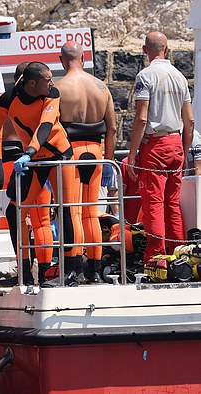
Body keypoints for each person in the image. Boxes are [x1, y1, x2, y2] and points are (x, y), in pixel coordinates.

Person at [0, 62, 85, 283]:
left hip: (59, 154)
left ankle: (71, 270)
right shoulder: (7, 100)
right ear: (31, 83)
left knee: (64, 208)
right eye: (47, 79)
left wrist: (28, 151)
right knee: (14, 212)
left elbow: (45, 125)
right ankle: (26, 271)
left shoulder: (52, 94)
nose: (52, 82)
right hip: (34, 158)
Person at [127, 32, 194, 261]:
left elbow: (142, 118)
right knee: (172, 203)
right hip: (176, 141)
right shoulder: (180, 77)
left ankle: (155, 257)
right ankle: (181, 254)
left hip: (154, 145)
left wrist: (133, 154)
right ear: (167, 48)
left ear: (146, 50)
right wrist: (184, 151)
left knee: (153, 202)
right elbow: (190, 120)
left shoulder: (145, 76)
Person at [55, 40, 117, 283]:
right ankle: (95, 268)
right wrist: (110, 161)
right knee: (92, 212)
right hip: (97, 151)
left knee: (72, 212)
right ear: (83, 58)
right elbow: (111, 128)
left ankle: (74, 268)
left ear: (62, 60)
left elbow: (51, 126)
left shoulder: (59, 88)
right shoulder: (102, 88)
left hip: (71, 152)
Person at [2, 62, 54, 285]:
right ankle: (44, 272)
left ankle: (24, 271)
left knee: (16, 214)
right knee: (42, 219)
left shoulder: (4, 100)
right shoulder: (43, 101)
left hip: (13, 162)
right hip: (40, 157)